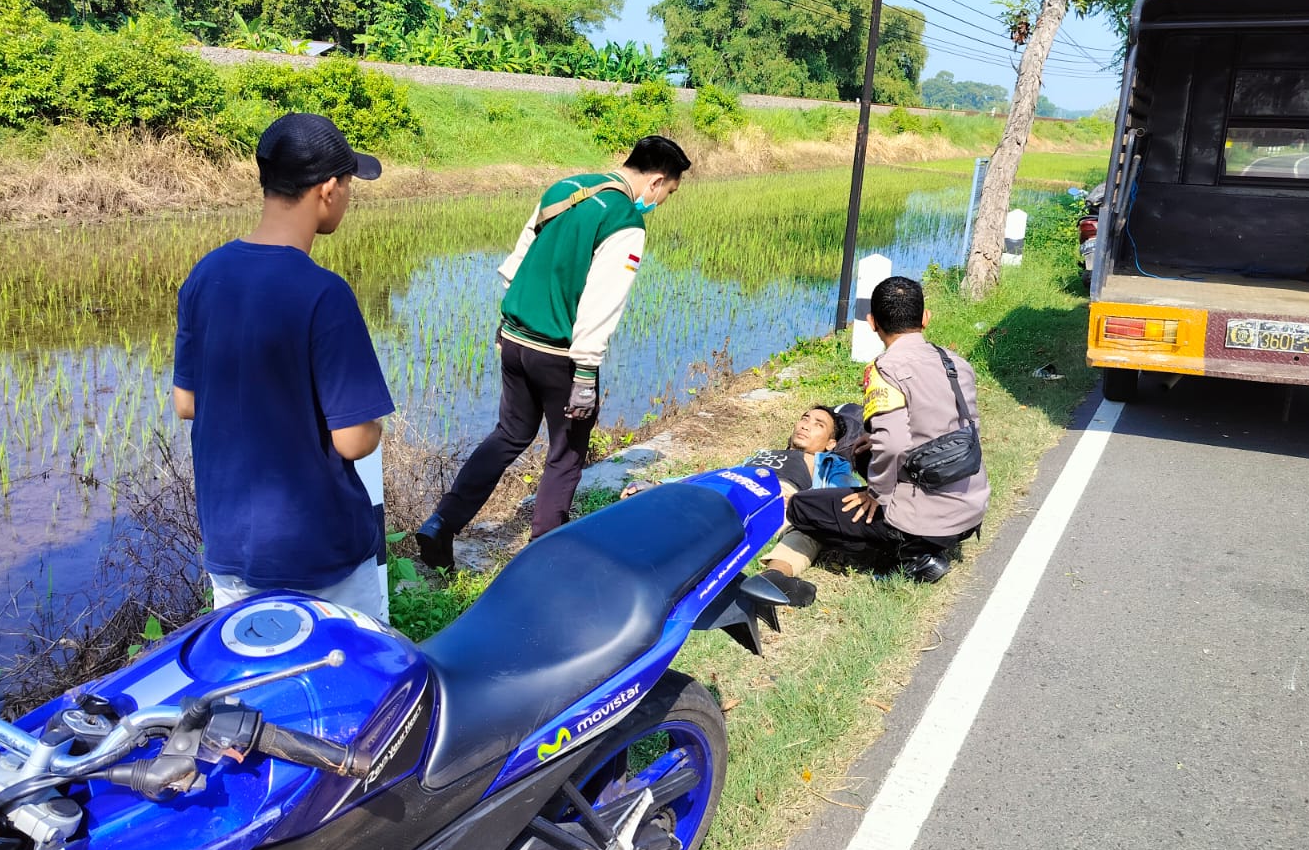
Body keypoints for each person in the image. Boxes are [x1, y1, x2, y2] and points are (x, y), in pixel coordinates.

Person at [417, 135, 692, 568]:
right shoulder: (625, 222)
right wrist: (585, 375)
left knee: (508, 434)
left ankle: (441, 522)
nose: (662, 202)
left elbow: (517, 263)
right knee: (565, 455)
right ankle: (547, 560)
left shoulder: (565, 188)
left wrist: (507, 327)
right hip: (559, 357)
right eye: (668, 194)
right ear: (657, 182)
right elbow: (603, 302)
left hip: (514, 339)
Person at [172, 112, 395, 617]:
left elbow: (186, 403)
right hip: (321, 558)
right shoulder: (324, 294)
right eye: (350, 184)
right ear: (328, 189)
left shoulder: (204, 277)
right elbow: (354, 439)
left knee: (255, 688)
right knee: (352, 686)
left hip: (230, 550)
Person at [785, 276, 989, 585]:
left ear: (871, 322)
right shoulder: (956, 363)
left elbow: (893, 445)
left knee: (802, 508)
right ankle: (921, 537)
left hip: (930, 521)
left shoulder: (884, 369)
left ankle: (911, 553)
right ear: (925, 318)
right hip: (970, 506)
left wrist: (876, 494)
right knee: (863, 452)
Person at [621, 405, 862, 608]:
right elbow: (719, 475)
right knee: (691, 512)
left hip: (781, 501)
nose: (806, 425)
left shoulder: (829, 462)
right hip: (736, 489)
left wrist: (806, 502)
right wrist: (663, 485)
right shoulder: (763, 454)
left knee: (806, 527)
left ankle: (773, 577)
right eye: (804, 418)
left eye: (819, 424)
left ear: (831, 443)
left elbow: (843, 493)